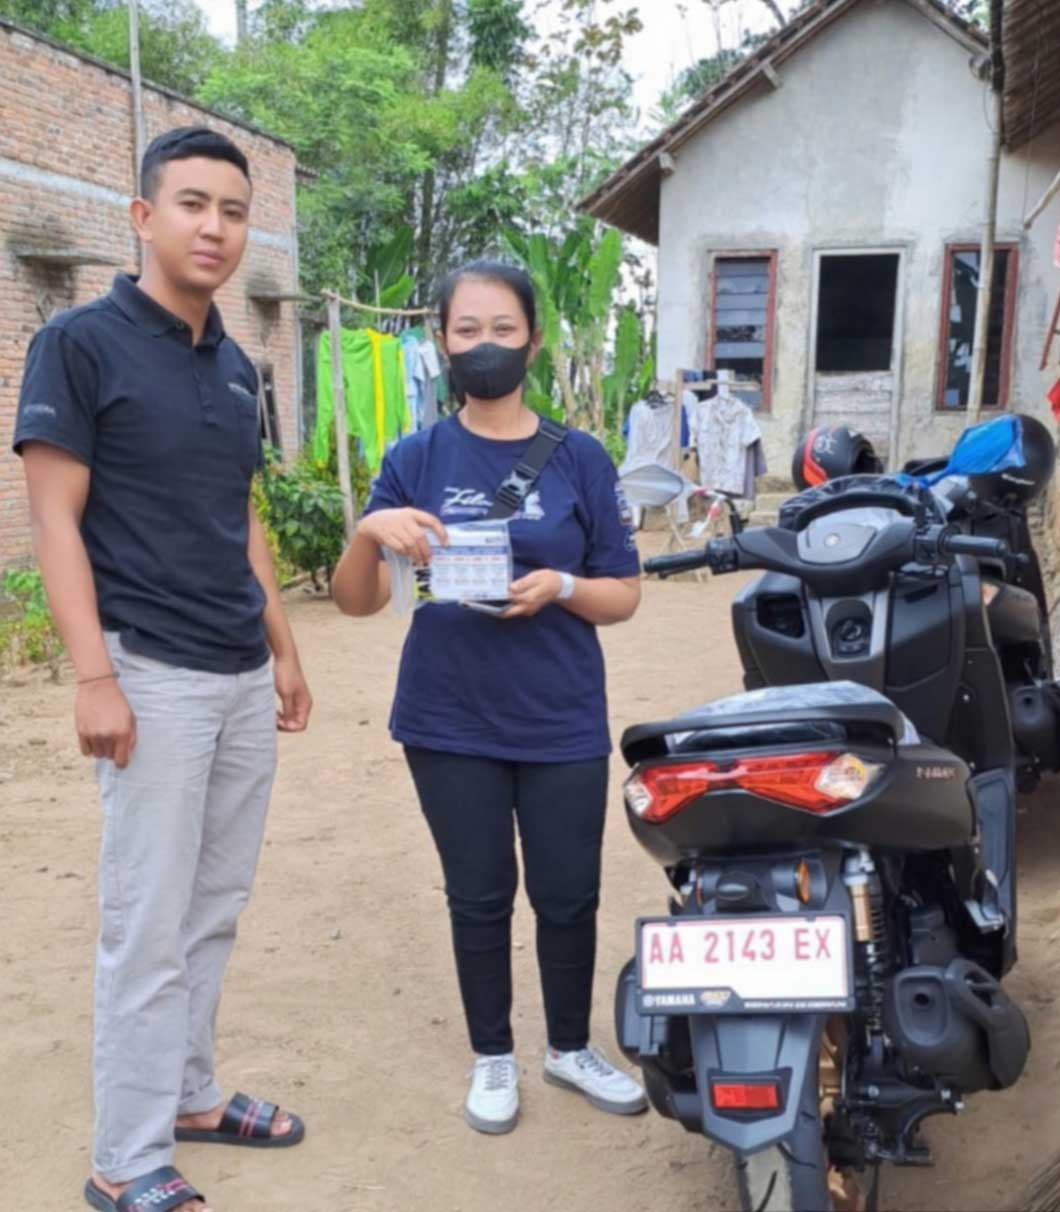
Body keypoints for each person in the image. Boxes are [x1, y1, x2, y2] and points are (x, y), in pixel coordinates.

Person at [14, 126, 312, 1212]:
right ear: (143, 217)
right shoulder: (79, 344)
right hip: (151, 675)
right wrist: (94, 677)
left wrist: (283, 648)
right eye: (192, 204)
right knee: (146, 924)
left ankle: (189, 1095)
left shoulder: (234, 366)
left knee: (212, 903)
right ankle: (124, 1158)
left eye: (233, 211)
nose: (214, 228)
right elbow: (53, 518)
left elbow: (239, 514)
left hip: (236, 673)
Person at [331, 259, 647, 1135]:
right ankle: (494, 1056)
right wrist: (369, 530)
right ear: (442, 340)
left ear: (532, 341)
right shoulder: (415, 458)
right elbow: (356, 601)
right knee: (478, 894)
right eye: (467, 330)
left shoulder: (581, 458)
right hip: (449, 717)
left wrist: (562, 587)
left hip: (561, 713)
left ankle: (569, 1047)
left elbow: (623, 593)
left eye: (503, 329)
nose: (485, 346)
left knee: (569, 893)